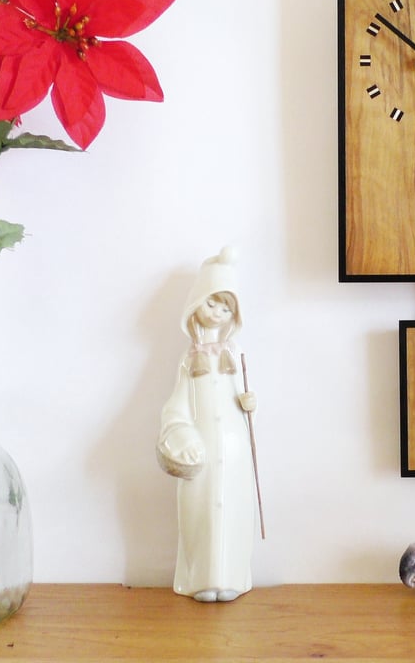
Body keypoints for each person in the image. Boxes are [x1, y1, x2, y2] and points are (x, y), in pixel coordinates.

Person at [157, 247, 258, 602]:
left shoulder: (234, 354)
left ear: (234, 313)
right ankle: (200, 579)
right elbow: (178, 402)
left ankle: (231, 576)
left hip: (233, 449)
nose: (217, 312)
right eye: (211, 303)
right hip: (202, 449)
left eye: (226, 307)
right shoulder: (189, 359)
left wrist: (249, 403)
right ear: (197, 303)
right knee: (200, 513)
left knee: (232, 508)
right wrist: (180, 433)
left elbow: (241, 396)